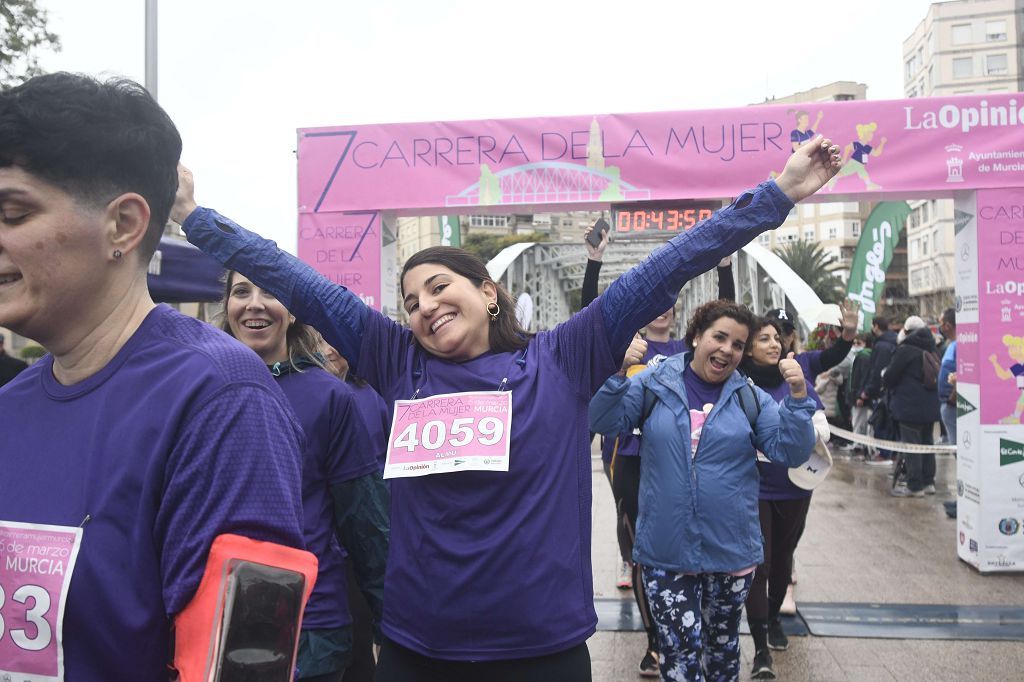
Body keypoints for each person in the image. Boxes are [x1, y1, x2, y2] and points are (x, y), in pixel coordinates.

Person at [172, 135, 840, 682]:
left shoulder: (564, 357)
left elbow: (670, 265)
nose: (426, 306)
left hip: (539, 651)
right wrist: (194, 218)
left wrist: (775, 196)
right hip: (416, 649)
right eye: (411, 302)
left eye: (439, 287)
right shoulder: (396, 362)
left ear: (490, 294)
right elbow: (299, 284)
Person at [0, 73, 308, 679]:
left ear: (123, 225)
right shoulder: (10, 406)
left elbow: (244, 664)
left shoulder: (222, 401)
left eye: (14, 213)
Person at [589, 301, 816, 682]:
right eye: (720, 337)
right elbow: (603, 418)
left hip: (731, 552)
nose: (728, 349)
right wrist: (617, 371)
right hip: (667, 552)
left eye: (738, 344)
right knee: (678, 652)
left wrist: (796, 398)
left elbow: (789, 450)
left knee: (723, 649)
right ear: (696, 337)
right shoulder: (654, 384)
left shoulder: (749, 396)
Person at [219, 271, 390, 681]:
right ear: (227, 308)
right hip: (211, 615)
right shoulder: (196, 387)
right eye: (241, 292)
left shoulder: (329, 396)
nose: (255, 303)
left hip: (309, 625)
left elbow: (364, 520)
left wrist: (388, 621)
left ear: (293, 313)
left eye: (270, 292)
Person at [580, 225, 734, 678]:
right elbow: (589, 315)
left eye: (670, 305)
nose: (663, 311)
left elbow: (727, 319)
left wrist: (724, 266)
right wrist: (594, 263)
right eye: (656, 305)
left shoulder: (690, 350)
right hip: (626, 455)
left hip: (674, 456)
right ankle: (654, 642)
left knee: (675, 539)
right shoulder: (627, 343)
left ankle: (683, 630)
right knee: (639, 542)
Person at [739, 317, 829, 680]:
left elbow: (820, 424)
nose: (775, 344)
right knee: (759, 564)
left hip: (795, 487)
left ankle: (774, 618)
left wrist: (803, 421)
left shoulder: (796, 380)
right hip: (755, 488)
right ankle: (761, 646)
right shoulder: (739, 384)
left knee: (781, 561)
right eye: (764, 339)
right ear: (748, 348)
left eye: (777, 338)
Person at [885, 315, 941, 498]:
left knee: (912, 446)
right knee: (927, 443)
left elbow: (890, 377)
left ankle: (915, 486)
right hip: (930, 406)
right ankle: (928, 482)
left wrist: (884, 375)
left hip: (909, 406)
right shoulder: (933, 349)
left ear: (906, 331)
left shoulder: (905, 350)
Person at [858, 316, 899, 464]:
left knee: (880, 422)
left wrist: (867, 390)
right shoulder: (893, 341)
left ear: (876, 326)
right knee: (889, 423)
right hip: (890, 391)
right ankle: (891, 454)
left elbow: (876, 370)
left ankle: (884, 453)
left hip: (881, 392)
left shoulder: (882, 346)